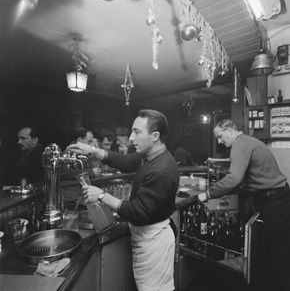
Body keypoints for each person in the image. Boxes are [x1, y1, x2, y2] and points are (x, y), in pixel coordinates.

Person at [68, 109, 179, 291]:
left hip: (153, 240)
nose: (131, 138)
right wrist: (92, 150)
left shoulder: (162, 169)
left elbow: (137, 212)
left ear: (155, 136)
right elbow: (124, 161)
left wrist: (102, 195)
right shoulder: (150, 156)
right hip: (146, 235)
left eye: (137, 132)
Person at [198, 119, 290, 291]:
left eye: (220, 136)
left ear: (230, 130)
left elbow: (234, 178)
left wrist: (207, 194)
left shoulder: (239, 145)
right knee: (274, 247)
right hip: (275, 197)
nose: (219, 142)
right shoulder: (248, 141)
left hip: (274, 200)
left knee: (277, 249)